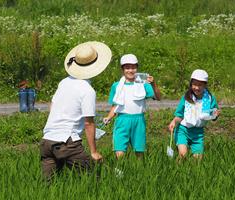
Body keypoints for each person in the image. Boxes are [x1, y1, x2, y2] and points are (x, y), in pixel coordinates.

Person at [40, 41, 112, 181]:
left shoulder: (64, 82)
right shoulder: (87, 90)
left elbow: (52, 105)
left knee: (48, 184)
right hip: (67, 143)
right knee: (92, 178)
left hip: (47, 141)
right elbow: (88, 123)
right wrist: (94, 152)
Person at [103, 54, 161, 159]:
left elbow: (158, 97)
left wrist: (153, 84)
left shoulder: (143, 83)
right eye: (127, 67)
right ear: (122, 69)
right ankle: (120, 173)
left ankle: (138, 172)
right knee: (119, 151)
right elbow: (115, 106)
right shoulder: (116, 86)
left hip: (138, 120)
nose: (131, 70)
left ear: (137, 68)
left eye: (133, 67)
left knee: (139, 152)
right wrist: (109, 117)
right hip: (122, 120)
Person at [168, 69, 220, 159]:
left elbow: (213, 115)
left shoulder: (210, 98)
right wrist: (174, 122)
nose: (197, 87)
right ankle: (177, 170)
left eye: (200, 85)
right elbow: (179, 115)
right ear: (191, 84)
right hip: (183, 130)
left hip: (198, 133)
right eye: (194, 84)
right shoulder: (187, 97)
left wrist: (216, 115)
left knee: (198, 159)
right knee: (183, 154)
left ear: (205, 85)